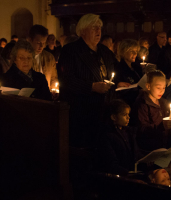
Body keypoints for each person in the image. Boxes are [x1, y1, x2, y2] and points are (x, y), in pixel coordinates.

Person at [57, 14, 118, 148]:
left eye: (99, 27)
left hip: (104, 110)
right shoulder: (71, 50)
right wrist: (92, 86)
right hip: (82, 111)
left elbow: (114, 72)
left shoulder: (104, 51)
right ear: (83, 31)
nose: (98, 31)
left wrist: (118, 83)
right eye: (94, 27)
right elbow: (66, 80)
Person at [132, 70, 171, 152]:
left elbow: (167, 123)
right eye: (158, 87)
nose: (162, 91)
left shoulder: (163, 102)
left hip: (163, 146)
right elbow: (142, 128)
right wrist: (163, 126)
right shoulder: (142, 104)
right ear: (148, 86)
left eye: (164, 87)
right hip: (148, 149)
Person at [97, 99, 140, 176]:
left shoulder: (128, 132)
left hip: (131, 172)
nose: (128, 117)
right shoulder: (107, 135)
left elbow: (135, 154)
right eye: (124, 115)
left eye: (128, 114)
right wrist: (128, 174)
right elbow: (111, 163)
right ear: (114, 117)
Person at [28, 25, 58, 90]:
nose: (41, 46)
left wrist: (53, 89)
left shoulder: (49, 57)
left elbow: (53, 78)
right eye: (38, 43)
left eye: (44, 43)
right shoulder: (24, 58)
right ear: (30, 40)